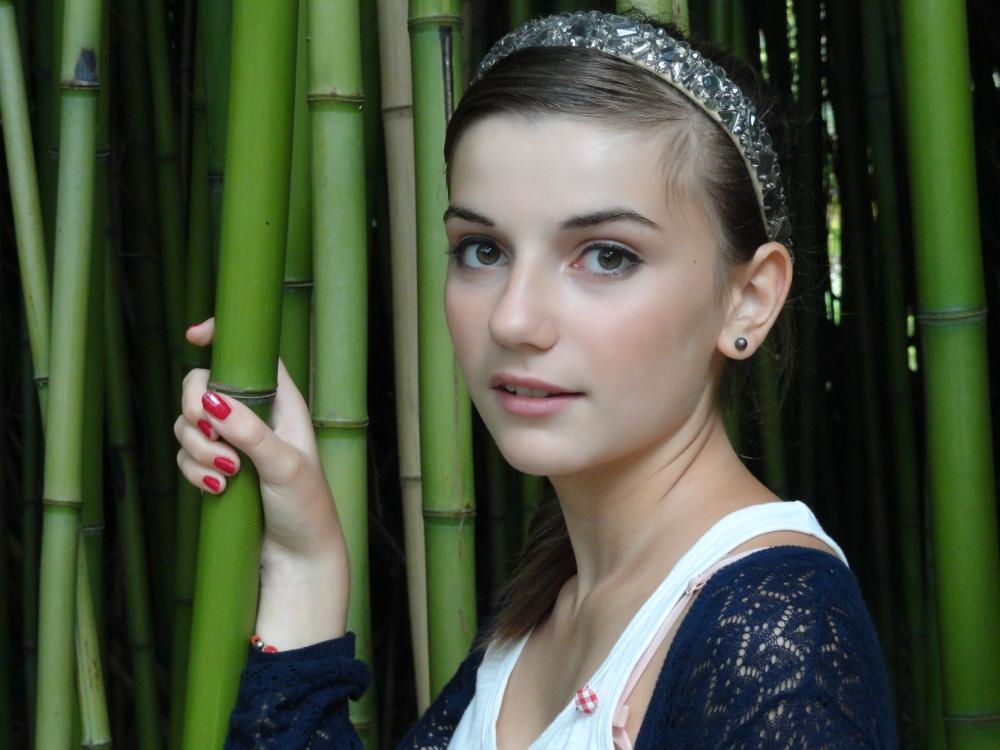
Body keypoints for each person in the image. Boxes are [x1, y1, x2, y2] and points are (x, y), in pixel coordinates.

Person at [175, 11, 895, 749]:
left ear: (750, 299)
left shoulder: (780, 639)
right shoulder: (544, 613)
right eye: (482, 250)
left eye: (607, 255)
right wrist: (306, 560)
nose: (513, 319)